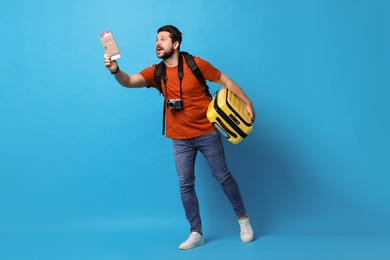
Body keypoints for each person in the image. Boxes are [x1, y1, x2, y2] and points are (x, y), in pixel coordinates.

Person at [103, 25, 256, 250]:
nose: (158, 42)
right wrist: (116, 70)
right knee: (185, 184)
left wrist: (247, 102)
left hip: (206, 132)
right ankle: (196, 233)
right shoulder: (156, 72)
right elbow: (128, 81)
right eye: (156, 39)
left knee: (223, 177)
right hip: (179, 139)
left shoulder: (196, 64)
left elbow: (227, 82)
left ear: (175, 44)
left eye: (163, 39)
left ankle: (244, 221)